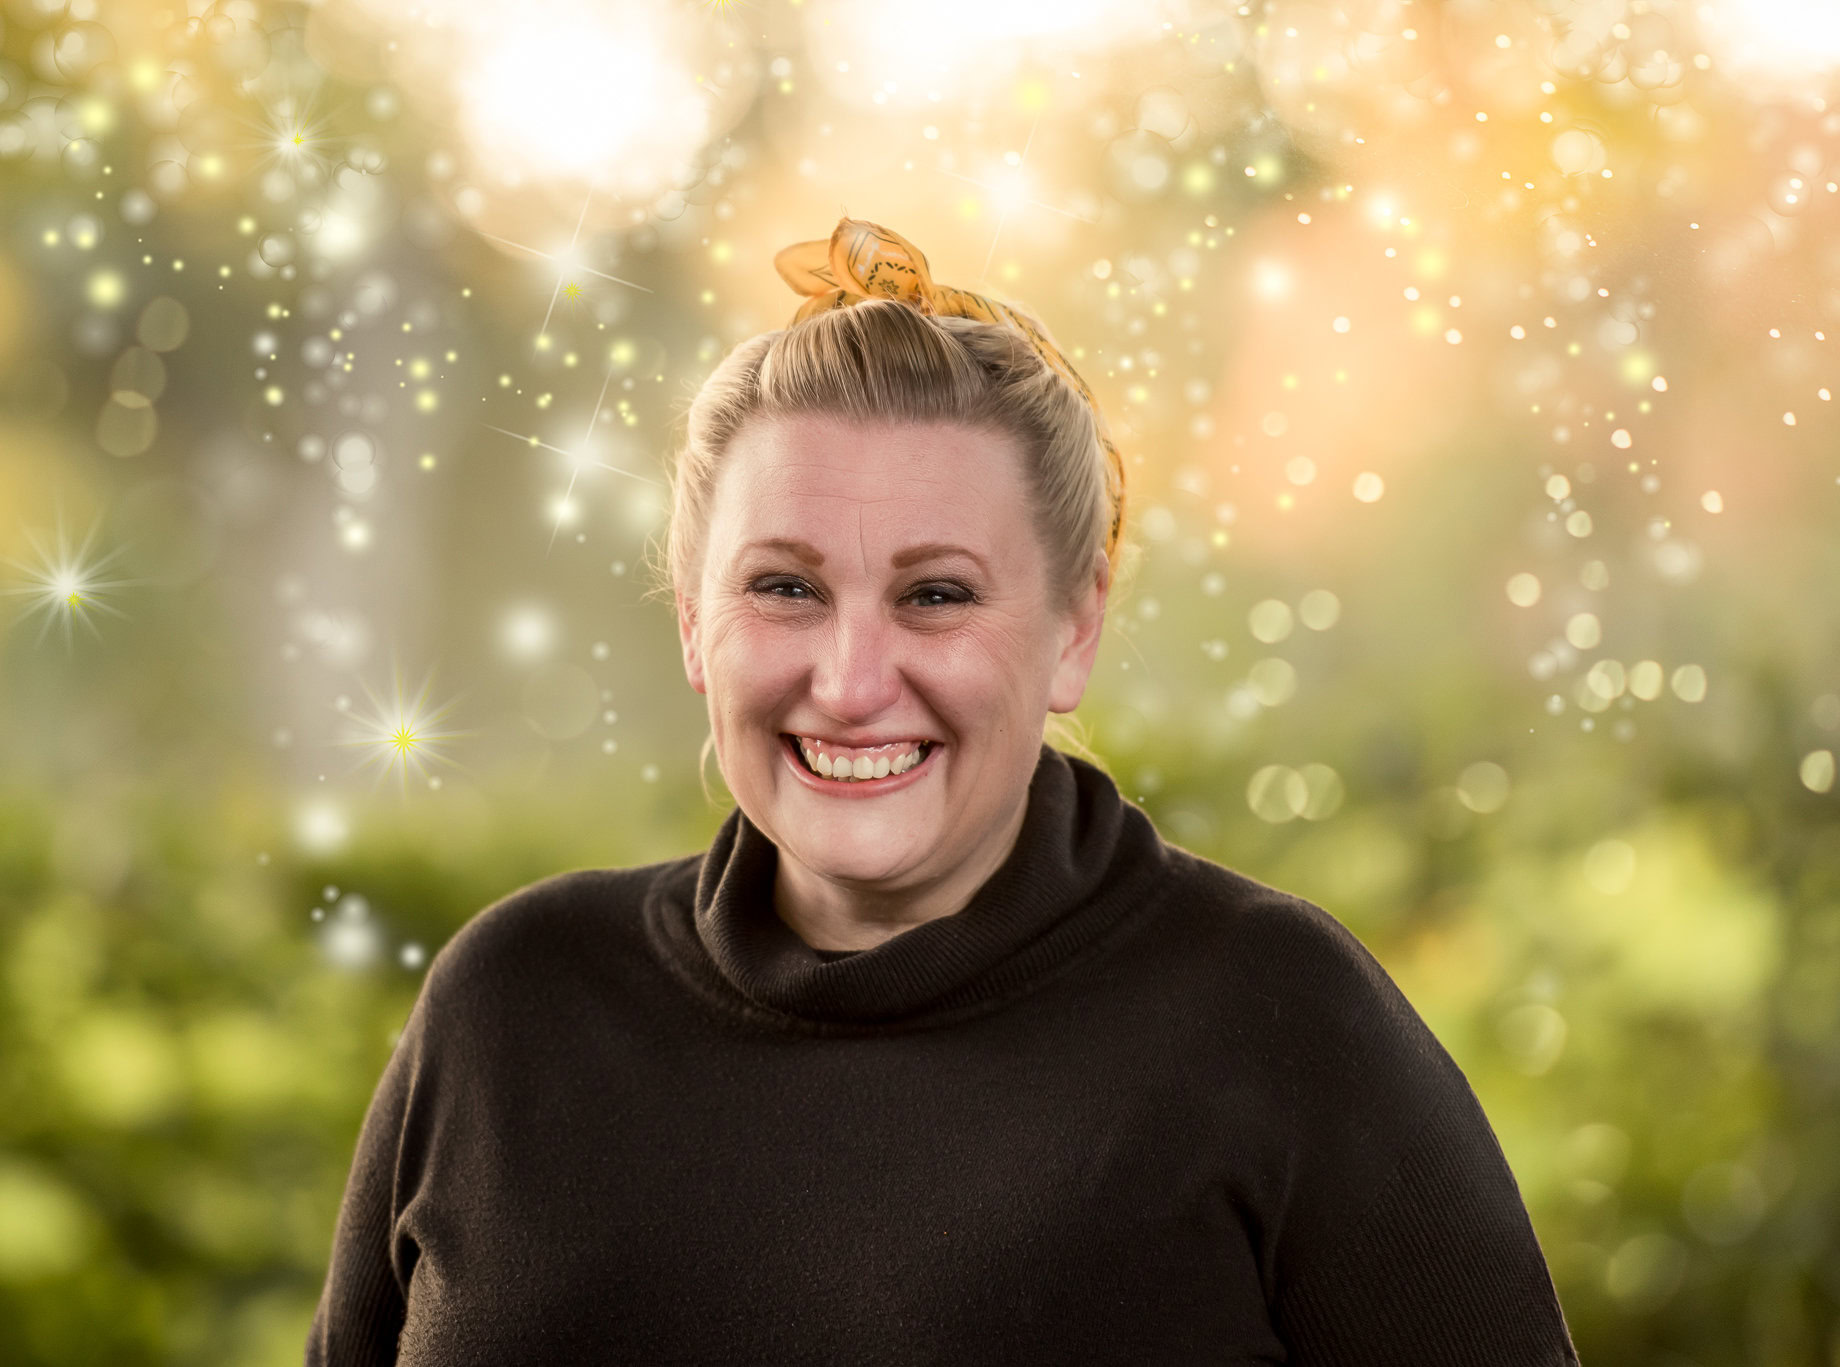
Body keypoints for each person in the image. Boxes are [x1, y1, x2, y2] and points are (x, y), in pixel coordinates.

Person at [305, 217, 1582, 1365]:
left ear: (1072, 630)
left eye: (936, 594)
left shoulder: (1275, 1019)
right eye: (784, 587)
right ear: (694, 624)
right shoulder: (511, 1005)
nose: (853, 682)